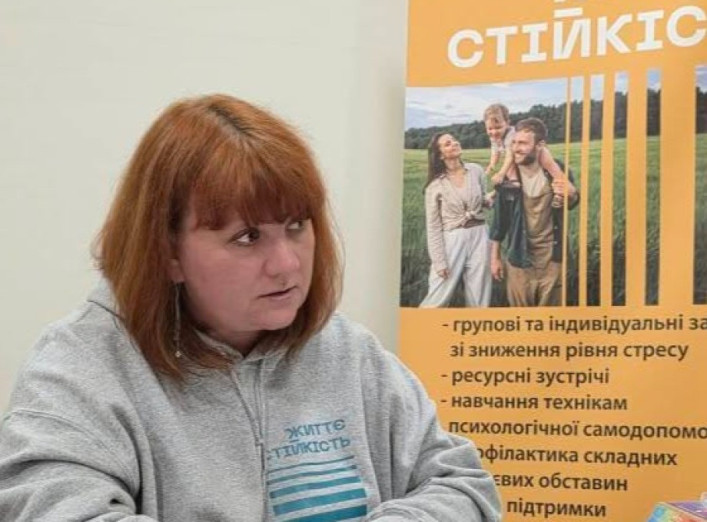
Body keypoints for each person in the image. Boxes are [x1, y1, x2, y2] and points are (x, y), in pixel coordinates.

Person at [0, 95, 501, 521]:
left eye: (297, 226)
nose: (287, 265)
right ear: (167, 251)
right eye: (246, 237)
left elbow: (464, 488)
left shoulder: (349, 354)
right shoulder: (80, 366)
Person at [489, 117, 579, 307]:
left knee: (552, 317)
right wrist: (495, 258)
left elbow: (572, 202)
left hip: (552, 259)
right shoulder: (509, 178)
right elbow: (499, 222)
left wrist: (569, 195)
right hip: (518, 259)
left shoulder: (558, 170)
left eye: (523, 143)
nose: (516, 148)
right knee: (520, 317)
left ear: (540, 145)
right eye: (514, 142)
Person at [419, 132, 492, 307]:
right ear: (440, 155)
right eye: (447, 143)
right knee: (437, 298)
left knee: (480, 297)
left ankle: (476, 324)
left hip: (481, 234)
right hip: (452, 239)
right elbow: (433, 226)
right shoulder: (435, 186)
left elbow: (482, 199)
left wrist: (490, 199)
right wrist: (439, 261)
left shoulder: (476, 170)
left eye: (454, 140)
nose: (455, 143)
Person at [483, 103, 564, 207]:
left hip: (537, 154)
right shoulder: (494, 138)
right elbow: (495, 151)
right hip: (521, 158)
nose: (494, 132)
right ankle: (498, 194)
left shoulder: (510, 135)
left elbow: (510, 157)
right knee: (509, 171)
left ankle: (560, 194)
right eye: (490, 129)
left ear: (507, 123)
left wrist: (501, 173)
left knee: (553, 172)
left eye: (498, 127)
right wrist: (492, 164)